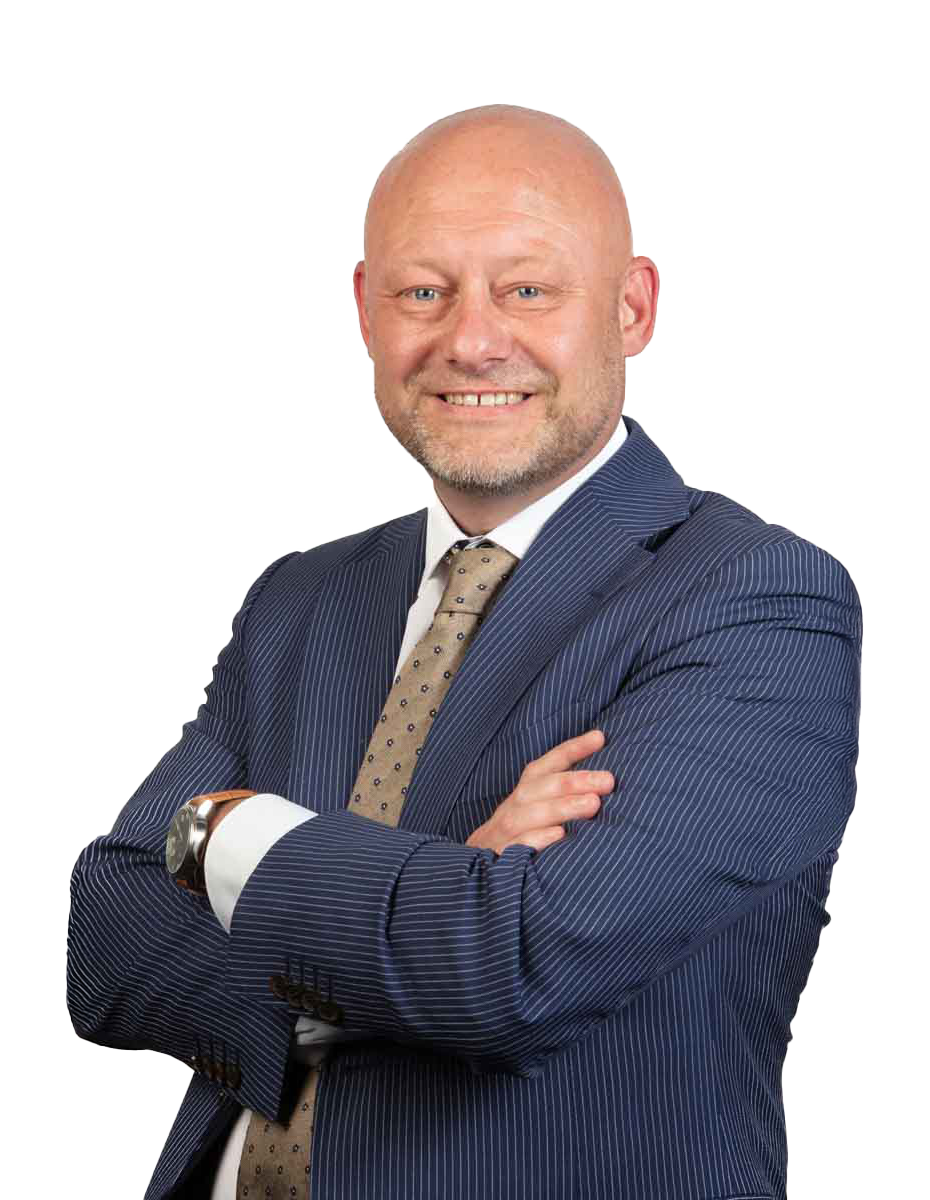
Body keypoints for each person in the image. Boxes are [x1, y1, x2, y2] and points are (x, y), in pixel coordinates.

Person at [67, 103, 863, 1200]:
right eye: (422, 292)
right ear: (364, 308)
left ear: (631, 308)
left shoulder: (755, 599)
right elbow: (107, 942)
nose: (473, 340)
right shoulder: (301, 599)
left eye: (527, 290)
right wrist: (449, 882)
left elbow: (515, 970)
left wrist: (224, 833)